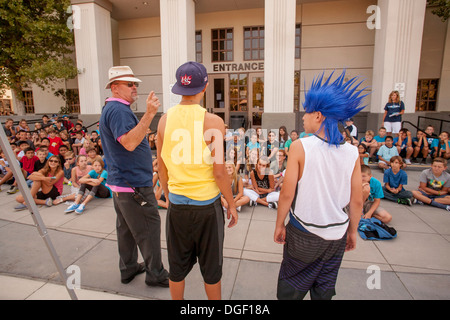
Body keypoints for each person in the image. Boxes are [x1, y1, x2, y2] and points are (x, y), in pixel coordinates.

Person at [274, 71, 365, 300]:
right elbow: (356, 200)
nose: (303, 117)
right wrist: (352, 231)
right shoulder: (352, 152)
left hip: (304, 232)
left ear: (318, 116)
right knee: (324, 289)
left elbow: (286, 194)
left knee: (290, 290)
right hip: (337, 234)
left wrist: (279, 224)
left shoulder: (300, 146)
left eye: (306, 112)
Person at [156, 61, 238, 300]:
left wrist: (169, 195)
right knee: (211, 269)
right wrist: (231, 203)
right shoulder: (213, 122)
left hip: (178, 205)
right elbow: (220, 172)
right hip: (207, 207)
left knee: (176, 267)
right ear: (205, 86)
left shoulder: (164, 120)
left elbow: (161, 166)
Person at [100, 65, 169, 287]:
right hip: (133, 186)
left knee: (127, 230)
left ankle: (129, 268)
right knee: (149, 229)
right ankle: (155, 274)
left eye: (135, 84)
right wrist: (149, 114)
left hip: (124, 185)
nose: (134, 88)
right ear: (115, 87)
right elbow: (129, 142)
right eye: (129, 84)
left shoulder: (113, 109)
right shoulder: (118, 110)